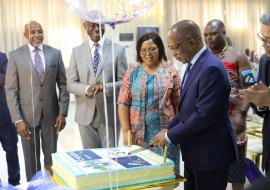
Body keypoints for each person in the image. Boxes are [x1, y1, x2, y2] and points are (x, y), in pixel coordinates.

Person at [151, 20, 237, 190]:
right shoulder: (194, 64)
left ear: (191, 42)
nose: (173, 53)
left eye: (174, 47)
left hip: (210, 155)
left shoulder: (211, 68)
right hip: (194, 153)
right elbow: (186, 109)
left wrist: (170, 136)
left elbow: (203, 115)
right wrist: (169, 128)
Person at [5, 21, 70, 181]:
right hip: (26, 118)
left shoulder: (55, 53)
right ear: (25, 34)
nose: (37, 35)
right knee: (31, 163)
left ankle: (49, 186)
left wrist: (63, 112)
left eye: (39, 31)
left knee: (51, 160)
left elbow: (63, 85)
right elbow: (11, 90)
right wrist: (18, 120)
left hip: (52, 116)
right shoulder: (15, 56)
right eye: (32, 32)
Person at [118, 32, 181, 174]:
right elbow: (123, 103)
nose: (148, 53)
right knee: (141, 174)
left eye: (152, 49)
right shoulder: (132, 71)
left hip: (165, 133)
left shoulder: (171, 71)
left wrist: (176, 131)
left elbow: (179, 105)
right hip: (137, 134)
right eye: (143, 50)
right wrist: (126, 131)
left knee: (165, 175)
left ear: (160, 48)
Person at [203, 19, 254, 190]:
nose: (209, 38)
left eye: (213, 34)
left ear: (223, 33)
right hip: (209, 123)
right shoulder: (203, 57)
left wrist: (241, 114)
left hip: (233, 121)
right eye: (206, 35)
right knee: (213, 172)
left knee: (236, 173)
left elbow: (251, 88)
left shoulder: (238, 56)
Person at [67, 21, 127, 149]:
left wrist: (105, 87)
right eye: (92, 25)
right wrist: (87, 89)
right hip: (85, 116)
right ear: (84, 27)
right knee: (91, 160)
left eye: (100, 24)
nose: (96, 29)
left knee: (109, 161)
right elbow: (71, 84)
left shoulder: (118, 50)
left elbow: (125, 83)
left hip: (109, 116)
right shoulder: (76, 51)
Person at [248, 11, 270, 176]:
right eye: (263, 38)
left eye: (269, 40)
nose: (264, 44)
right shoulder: (265, 60)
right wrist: (260, 101)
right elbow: (260, 108)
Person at [0, 52, 20, 185]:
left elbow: (6, 77)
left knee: (11, 150)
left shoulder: (1, 57)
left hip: (4, 117)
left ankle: (14, 182)